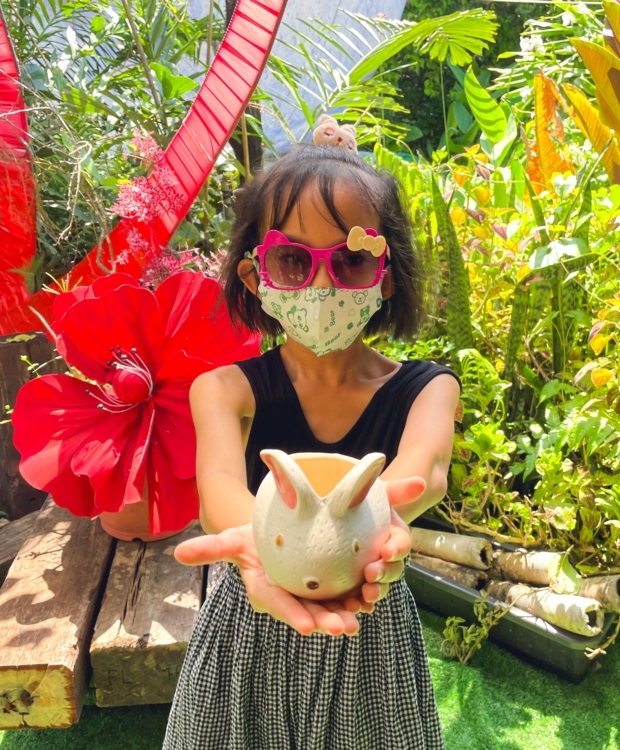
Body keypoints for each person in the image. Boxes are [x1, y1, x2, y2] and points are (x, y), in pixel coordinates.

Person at [162, 130, 461, 750]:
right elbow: (217, 484)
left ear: (385, 277)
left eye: (350, 259)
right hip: (249, 624)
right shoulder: (222, 389)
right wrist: (266, 551)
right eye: (292, 261)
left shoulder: (428, 389)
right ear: (254, 275)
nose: (320, 285)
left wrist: (382, 516)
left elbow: (424, 472)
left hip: (368, 631)